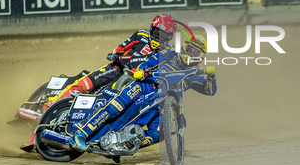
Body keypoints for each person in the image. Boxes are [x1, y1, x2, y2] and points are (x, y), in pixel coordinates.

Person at [72, 34, 217, 150]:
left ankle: (123, 145)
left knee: (156, 134)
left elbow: (209, 91)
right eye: (189, 48)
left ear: (201, 56)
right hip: (144, 86)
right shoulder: (169, 53)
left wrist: (212, 77)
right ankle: (81, 133)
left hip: (161, 105)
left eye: (195, 51)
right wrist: (141, 70)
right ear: (184, 47)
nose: (190, 53)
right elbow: (149, 62)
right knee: (114, 108)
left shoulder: (194, 74)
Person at [46, 14, 178, 108]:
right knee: (85, 85)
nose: (159, 37)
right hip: (117, 68)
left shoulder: (167, 52)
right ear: (151, 29)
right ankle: (50, 106)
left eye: (164, 35)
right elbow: (121, 47)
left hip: (136, 83)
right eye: (157, 32)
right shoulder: (141, 35)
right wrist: (114, 53)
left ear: (169, 37)